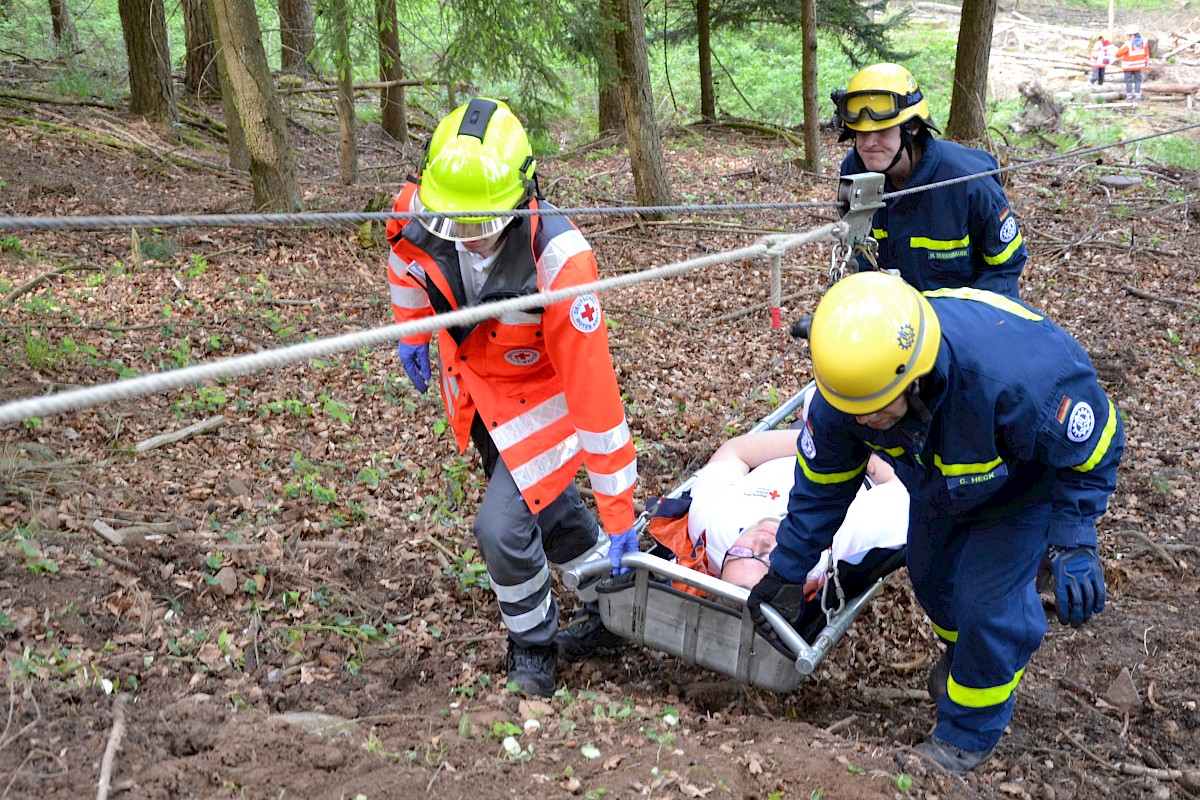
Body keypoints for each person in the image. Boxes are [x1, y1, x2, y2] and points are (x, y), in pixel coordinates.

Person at [747, 272, 1123, 774]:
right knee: (930, 580)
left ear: (915, 378)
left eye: (875, 413)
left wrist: (1074, 541)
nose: (861, 422)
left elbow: (1095, 445)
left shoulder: (1015, 382)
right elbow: (821, 485)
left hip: (1022, 485)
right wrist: (787, 569)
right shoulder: (851, 395)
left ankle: (965, 737)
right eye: (852, 412)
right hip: (938, 484)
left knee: (986, 606)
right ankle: (967, 655)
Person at [385, 98, 638, 697]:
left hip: (542, 399)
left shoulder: (561, 261)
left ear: (524, 199)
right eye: (456, 223)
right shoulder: (422, 206)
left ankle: (532, 645)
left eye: (482, 224)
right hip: (475, 388)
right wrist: (413, 328)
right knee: (548, 510)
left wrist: (620, 508)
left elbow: (594, 392)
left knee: (500, 529)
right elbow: (404, 256)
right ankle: (615, 607)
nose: (468, 238)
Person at [832, 63, 1027, 299]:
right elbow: (861, 255)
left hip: (966, 324)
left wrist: (952, 323)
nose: (868, 143)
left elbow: (1004, 269)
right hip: (892, 319)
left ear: (912, 127)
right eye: (860, 132)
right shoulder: (855, 171)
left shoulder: (969, 182)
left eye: (882, 131)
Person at [1115, 26, 1149, 101]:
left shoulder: (1128, 44)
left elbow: (1117, 54)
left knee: (1128, 81)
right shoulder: (1144, 42)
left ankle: (1129, 96)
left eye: (1127, 35)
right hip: (1139, 66)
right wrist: (1146, 64)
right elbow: (1146, 54)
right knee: (1138, 81)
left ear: (1132, 35)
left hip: (1128, 67)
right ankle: (1138, 96)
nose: (1126, 37)